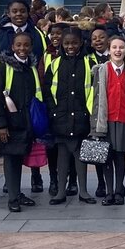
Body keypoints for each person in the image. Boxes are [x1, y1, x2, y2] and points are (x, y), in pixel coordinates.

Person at [0, 31, 43, 212]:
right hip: (11, 122)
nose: (22, 48)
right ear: (12, 47)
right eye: (18, 45)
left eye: (26, 45)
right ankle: (13, 198)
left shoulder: (32, 67)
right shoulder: (4, 68)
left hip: (27, 121)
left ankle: (17, 192)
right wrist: (1, 125)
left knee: (20, 157)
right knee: (11, 159)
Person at [90, 36, 125, 206]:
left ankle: (119, 190)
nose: (118, 50)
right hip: (107, 119)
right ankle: (109, 192)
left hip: (124, 120)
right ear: (109, 50)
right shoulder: (101, 70)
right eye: (114, 47)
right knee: (106, 157)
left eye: (121, 47)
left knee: (120, 156)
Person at [47, 29, 95, 203]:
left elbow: (93, 90)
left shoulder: (89, 63)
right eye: (66, 43)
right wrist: (53, 111)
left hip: (82, 116)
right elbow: (47, 90)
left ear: (81, 43)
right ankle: (61, 191)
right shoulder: (55, 64)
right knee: (62, 156)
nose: (70, 46)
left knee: (80, 156)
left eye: (74, 43)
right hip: (60, 117)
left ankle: (83, 191)